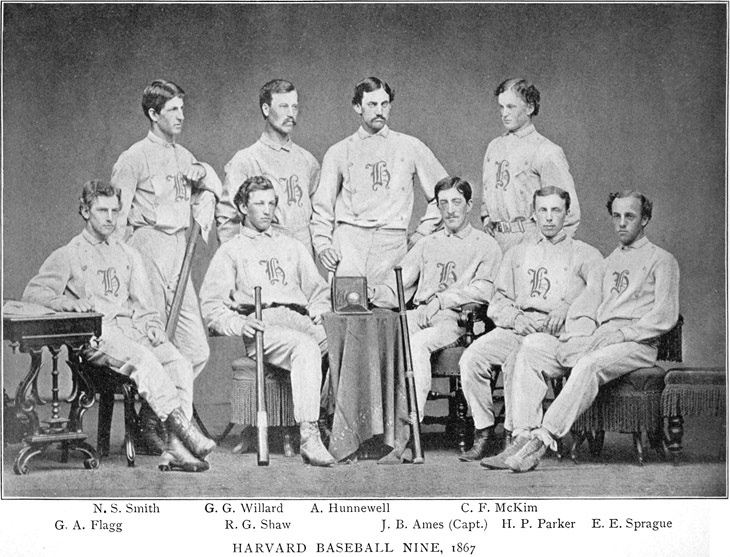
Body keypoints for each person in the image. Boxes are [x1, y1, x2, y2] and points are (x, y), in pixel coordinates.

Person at [23, 180, 215, 472]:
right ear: (85, 211)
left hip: (131, 333)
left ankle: (175, 447)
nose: (110, 218)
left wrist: (152, 325)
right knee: (143, 359)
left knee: (179, 362)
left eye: (115, 210)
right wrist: (67, 303)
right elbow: (34, 293)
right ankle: (184, 430)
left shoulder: (128, 254)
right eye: (102, 210)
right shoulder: (69, 254)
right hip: (98, 338)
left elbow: (145, 306)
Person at [495, 191, 679, 473]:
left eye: (629, 216)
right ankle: (521, 434)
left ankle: (541, 439)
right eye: (616, 216)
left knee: (589, 364)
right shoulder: (608, 262)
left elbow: (664, 315)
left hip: (637, 344)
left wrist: (622, 334)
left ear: (645, 219)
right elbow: (587, 304)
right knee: (531, 348)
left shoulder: (662, 260)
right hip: (601, 337)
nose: (621, 223)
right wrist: (575, 337)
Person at [111, 80, 221, 447]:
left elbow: (212, 189)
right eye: (173, 110)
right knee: (157, 340)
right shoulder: (133, 158)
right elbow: (117, 221)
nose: (181, 116)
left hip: (180, 248)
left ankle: (165, 421)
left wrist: (203, 174)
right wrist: (128, 273)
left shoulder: (186, 155)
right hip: (147, 248)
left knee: (195, 349)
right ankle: (161, 429)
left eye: (182, 109)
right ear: (153, 113)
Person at [459, 186, 602, 464]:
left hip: (555, 333)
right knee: (472, 358)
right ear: (533, 214)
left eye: (556, 210)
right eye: (542, 210)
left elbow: (598, 291)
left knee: (521, 357)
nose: (549, 218)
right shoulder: (516, 253)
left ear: (567, 213)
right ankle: (484, 429)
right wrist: (515, 318)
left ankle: (514, 437)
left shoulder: (585, 254)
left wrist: (569, 306)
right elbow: (498, 300)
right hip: (519, 327)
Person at [200, 176, 335, 467]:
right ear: (242, 207)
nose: (267, 210)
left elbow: (319, 291)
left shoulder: (292, 245)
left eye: (271, 203)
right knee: (306, 348)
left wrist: (318, 310)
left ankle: (332, 423)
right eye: (259, 203)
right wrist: (239, 324)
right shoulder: (231, 251)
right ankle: (309, 436)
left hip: (299, 318)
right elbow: (211, 306)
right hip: (264, 324)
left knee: (344, 344)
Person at [370, 176, 501, 425]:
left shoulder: (486, 245)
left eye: (456, 202)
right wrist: (374, 293)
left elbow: (485, 289)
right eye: (443, 203)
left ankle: (411, 427)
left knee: (416, 343)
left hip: (454, 320)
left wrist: (443, 300)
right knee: (381, 335)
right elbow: (399, 286)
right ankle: (381, 426)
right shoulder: (427, 243)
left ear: (469, 205)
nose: (450, 210)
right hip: (419, 314)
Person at [311, 76, 448, 285]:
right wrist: (323, 246)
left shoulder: (410, 146)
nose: (379, 111)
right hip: (349, 244)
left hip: (393, 244)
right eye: (372, 104)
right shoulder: (338, 151)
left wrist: (422, 232)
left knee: (392, 309)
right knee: (349, 308)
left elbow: (446, 193)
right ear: (358, 107)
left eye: (385, 104)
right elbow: (322, 207)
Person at [216, 79, 320, 251]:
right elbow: (227, 218)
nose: (290, 114)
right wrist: (234, 261)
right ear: (266, 109)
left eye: (294, 107)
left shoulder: (307, 160)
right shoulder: (246, 160)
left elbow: (320, 215)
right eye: (283, 106)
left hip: (303, 253)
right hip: (264, 252)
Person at [481, 78, 581, 253]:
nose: (504, 113)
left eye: (511, 107)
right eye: (501, 107)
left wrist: (551, 252)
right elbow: (488, 193)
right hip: (494, 245)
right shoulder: (494, 147)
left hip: (530, 244)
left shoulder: (546, 151)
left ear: (530, 107)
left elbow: (569, 211)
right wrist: (487, 219)